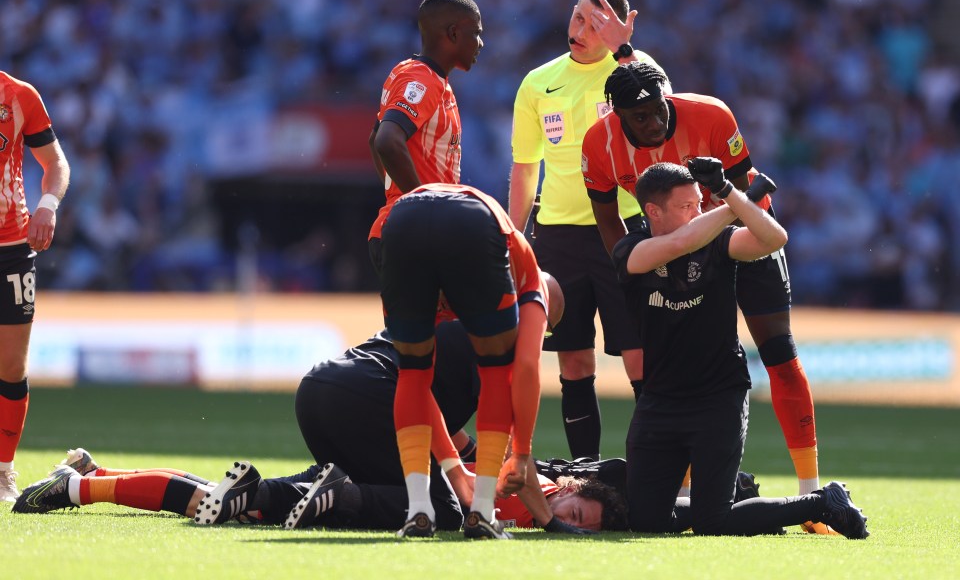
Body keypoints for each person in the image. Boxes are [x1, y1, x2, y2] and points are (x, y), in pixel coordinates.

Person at [582, 62, 829, 531]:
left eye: (658, 111)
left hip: (737, 237)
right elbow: (606, 216)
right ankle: (693, 487)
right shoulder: (598, 144)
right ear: (617, 116)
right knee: (674, 359)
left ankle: (810, 490)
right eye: (640, 117)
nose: (653, 122)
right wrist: (626, 265)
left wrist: (721, 204)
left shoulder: (712, 116)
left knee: (778, 351)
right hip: (669, 252)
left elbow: (752, 202)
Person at [612, 159, 868, 538]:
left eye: (699, 203)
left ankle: (822, 501)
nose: (697, 211)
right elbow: (681, 242)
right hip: (659, 402)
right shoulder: (630, 250)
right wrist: (735, 203)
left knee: (711, 524)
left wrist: (729, 193)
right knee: (646, 521)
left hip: (717, 399)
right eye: (686, 206)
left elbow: (774, 239)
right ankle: (738, 499)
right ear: (653, 211)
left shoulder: (719, 241)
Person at [508, 0, 668, 461]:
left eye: (593, 23)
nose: (578, 29)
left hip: (623, 231)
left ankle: (655, 470)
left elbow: (665, 115)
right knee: (574, 362)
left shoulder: (633, 71)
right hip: (556, 237)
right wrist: (513, 237)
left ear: (618, 29)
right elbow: (524, 167)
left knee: (640, 359)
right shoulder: (538, 82)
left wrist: (624, 49)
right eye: (576, 17)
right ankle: (586, 472)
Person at [376, 182, 552, 539]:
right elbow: (526, 369)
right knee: (495, 370)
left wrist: (453, 466)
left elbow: (418, 386)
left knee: (412, 371)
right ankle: (482, 513)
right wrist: (520, 453)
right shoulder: (533, 284)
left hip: (400, 219)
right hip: (472, 221)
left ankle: (418, 509)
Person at [13, 447, 628, 532]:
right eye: (576, 513)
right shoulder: (530, 481)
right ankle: (76, 487)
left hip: (365, 482)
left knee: (218, 501)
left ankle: (89, 477)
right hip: (368, 478)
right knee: (219, 504)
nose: (565, 525)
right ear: (572, 487)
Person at [367, 0, 483, 272]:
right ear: (453, 33)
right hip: (416, 233)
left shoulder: (418, 74)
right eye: (476, 33)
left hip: (409, 229)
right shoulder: (422, 78)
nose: (480, 43)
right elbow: (386, 141)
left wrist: (399, 194)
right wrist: (420, 205)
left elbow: (375, 139)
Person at [0, 71, 70, 502]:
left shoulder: (20, 96)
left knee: (10, 366)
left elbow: (56, 164)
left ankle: (2, 470)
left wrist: (48, 206)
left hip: (11, 248)